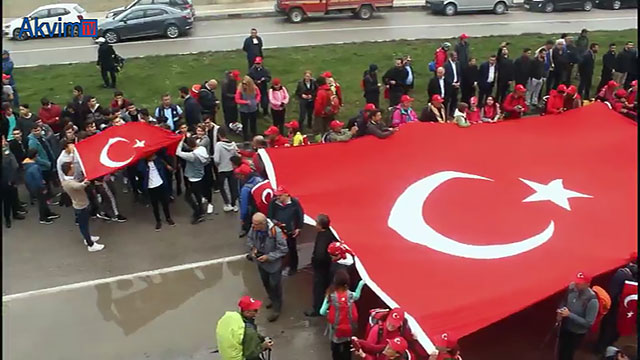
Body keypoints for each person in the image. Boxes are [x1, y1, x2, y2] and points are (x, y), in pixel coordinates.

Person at [247, 212, 288, 322]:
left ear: (263, 224)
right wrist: (253, 249)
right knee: (266, 283)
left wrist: (269, 257)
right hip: (261, 263)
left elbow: (283, 249)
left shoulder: (276, 232)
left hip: (273, 264)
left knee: (275, 285)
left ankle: (277, 308)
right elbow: (250, 239)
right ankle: (272, 298)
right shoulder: (254, 228)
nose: (253, 226)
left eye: (255, 224)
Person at [596, 254, 638, 354]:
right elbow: (612, 293)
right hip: (614, 309)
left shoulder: (631, 274)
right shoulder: (621, 274)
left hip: (623, 310)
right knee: (608, 330)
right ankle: (601, 348)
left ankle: (608, 344)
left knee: (615, 331)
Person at [320, 269, 366, 360]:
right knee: (346, 349)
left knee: (335, 348)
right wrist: (361, 283)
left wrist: (329, 313)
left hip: (335, 329)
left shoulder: (330, 295)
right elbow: (357, 296)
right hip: (348, 328)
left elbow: (322, 311)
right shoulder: (349, 295)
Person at [60, 161, 104, 252]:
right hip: (81, 205)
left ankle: (87, 237)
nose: (74, 169)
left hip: (79, 204)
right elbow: (80, 186)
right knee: (83, 225)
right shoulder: (70, 183)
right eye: (72, 168)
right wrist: (86, 180)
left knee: (84, 224)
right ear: (68, 171)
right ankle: (90, 244)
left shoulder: (66, 181)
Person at [556, 272, 599, 360]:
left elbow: (589, 323)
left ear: (587, 284)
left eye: (580, 283)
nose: (576, 284)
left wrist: (569, 315)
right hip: (566, 327)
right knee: (561, 348)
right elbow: (564, 301)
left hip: (576, 332)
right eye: (576, 281)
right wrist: (560, 310)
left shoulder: (592, 301)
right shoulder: (572, 287)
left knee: (568, 353)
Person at [216, 295, 273, 360]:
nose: (257, 312)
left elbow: (247, 335)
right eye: (255, 310)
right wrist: (263, 346)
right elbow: (250, 355)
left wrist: (262, 338)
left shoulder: (236, 319)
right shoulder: (249, 331)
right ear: (247, 312)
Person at [305, 214, 338, 317]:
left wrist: (314, 262)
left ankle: (317, 309)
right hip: (327, 267)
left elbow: (320, 255)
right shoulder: (329, 233)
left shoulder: (322, 238)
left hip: (321, 269)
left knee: (318, 288)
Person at [268, 186, 304, 275]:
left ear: (286, 195)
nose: (278, 197)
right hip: (278, 231)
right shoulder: (273, 203)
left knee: (292, 249)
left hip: (290, 231)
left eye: (280, 196)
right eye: (277, 195)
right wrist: (276, 223)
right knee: (278, 248)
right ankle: (280, 265)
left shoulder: (295, 203)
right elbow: (270, 216)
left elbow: (300, 215)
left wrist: (298, 228)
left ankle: (293, 267)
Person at [176, 135, 209, 224]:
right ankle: (201, 212)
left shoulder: (192, 156)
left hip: (194, 178)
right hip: (200, 176)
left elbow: (178, 153)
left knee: (187, 197)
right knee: (198, 196)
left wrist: (181, 141)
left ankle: (197, 212)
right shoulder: (202, 149)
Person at [138, 153, 175, 231]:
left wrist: (167, 166)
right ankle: (158, 221)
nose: (155, 156)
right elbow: (140, 169)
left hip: (161, 184)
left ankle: (168, 218)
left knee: (165, 203)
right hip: (151, 187)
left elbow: (163, 161)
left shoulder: (158, 161)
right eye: (152, 155)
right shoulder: (143, 165)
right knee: (155, 206)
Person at [23, 148, 59, 225]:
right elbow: (38, 179)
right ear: (35, 156)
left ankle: (48, 213)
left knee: (43, 201)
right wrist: (43, 187)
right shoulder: (34, 167)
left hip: (32, 186)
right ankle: (43, 218)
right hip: (38, 187)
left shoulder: (27, 164)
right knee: (42, 202)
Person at [1, 136, 25, 229]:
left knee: (13, 197)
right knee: (6, 201)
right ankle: (7, 219)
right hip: (3, 182)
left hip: (11, 178)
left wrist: (13, 178)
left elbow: (13, 164)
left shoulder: (6, 150)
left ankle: (15, 213)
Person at [213, 127, 239, 212]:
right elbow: (236, 156)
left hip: (222, 169)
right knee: (233, 187)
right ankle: (234, 204)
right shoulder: (233, 144)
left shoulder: (218, 145)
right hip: (232, 168)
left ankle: (227, 203)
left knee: (222, 186)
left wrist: (217, 165)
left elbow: (216, 159)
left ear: (218, 135)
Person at [27, 124, 55, 196]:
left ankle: (50, 193)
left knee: (48, 180)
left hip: (49, 160)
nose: (37, 132)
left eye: (38, 130)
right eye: (35, 131)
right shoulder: (32, 142)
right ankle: (47, 197)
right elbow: (35, 157)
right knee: (45, 181)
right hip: (43, 166)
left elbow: (47, 148)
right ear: (32, 131)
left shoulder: (42, 137)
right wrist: (46, 163)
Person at [236, 76, 261, 142]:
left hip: (253, 109)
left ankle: (254, 137)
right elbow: (237, 99)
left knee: (253, 124)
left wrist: (257, 101)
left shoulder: (255, 88)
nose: (244, 86)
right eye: (243, 84)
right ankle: (245, 138)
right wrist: (245, 102)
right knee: (245, 125)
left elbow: (258, 95)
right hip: (244, 110)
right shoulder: (240, 90)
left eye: (246, 84)